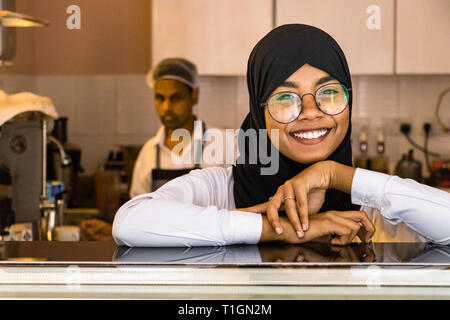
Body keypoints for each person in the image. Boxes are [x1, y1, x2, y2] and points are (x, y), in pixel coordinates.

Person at [112, 24, 450, 247]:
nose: (311, 111)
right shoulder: (222, 189)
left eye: (329, 92)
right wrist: (282, 228)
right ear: (259, 113)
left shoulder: (371, 203)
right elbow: (130, 222)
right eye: (285, 98)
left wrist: (334, 175)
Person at [130, 57, 234, 198]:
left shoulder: (224, 143)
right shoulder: (149, 152)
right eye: (160, 98)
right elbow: (138, 208)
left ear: (194, 96)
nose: (166, 107)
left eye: (175, 98)